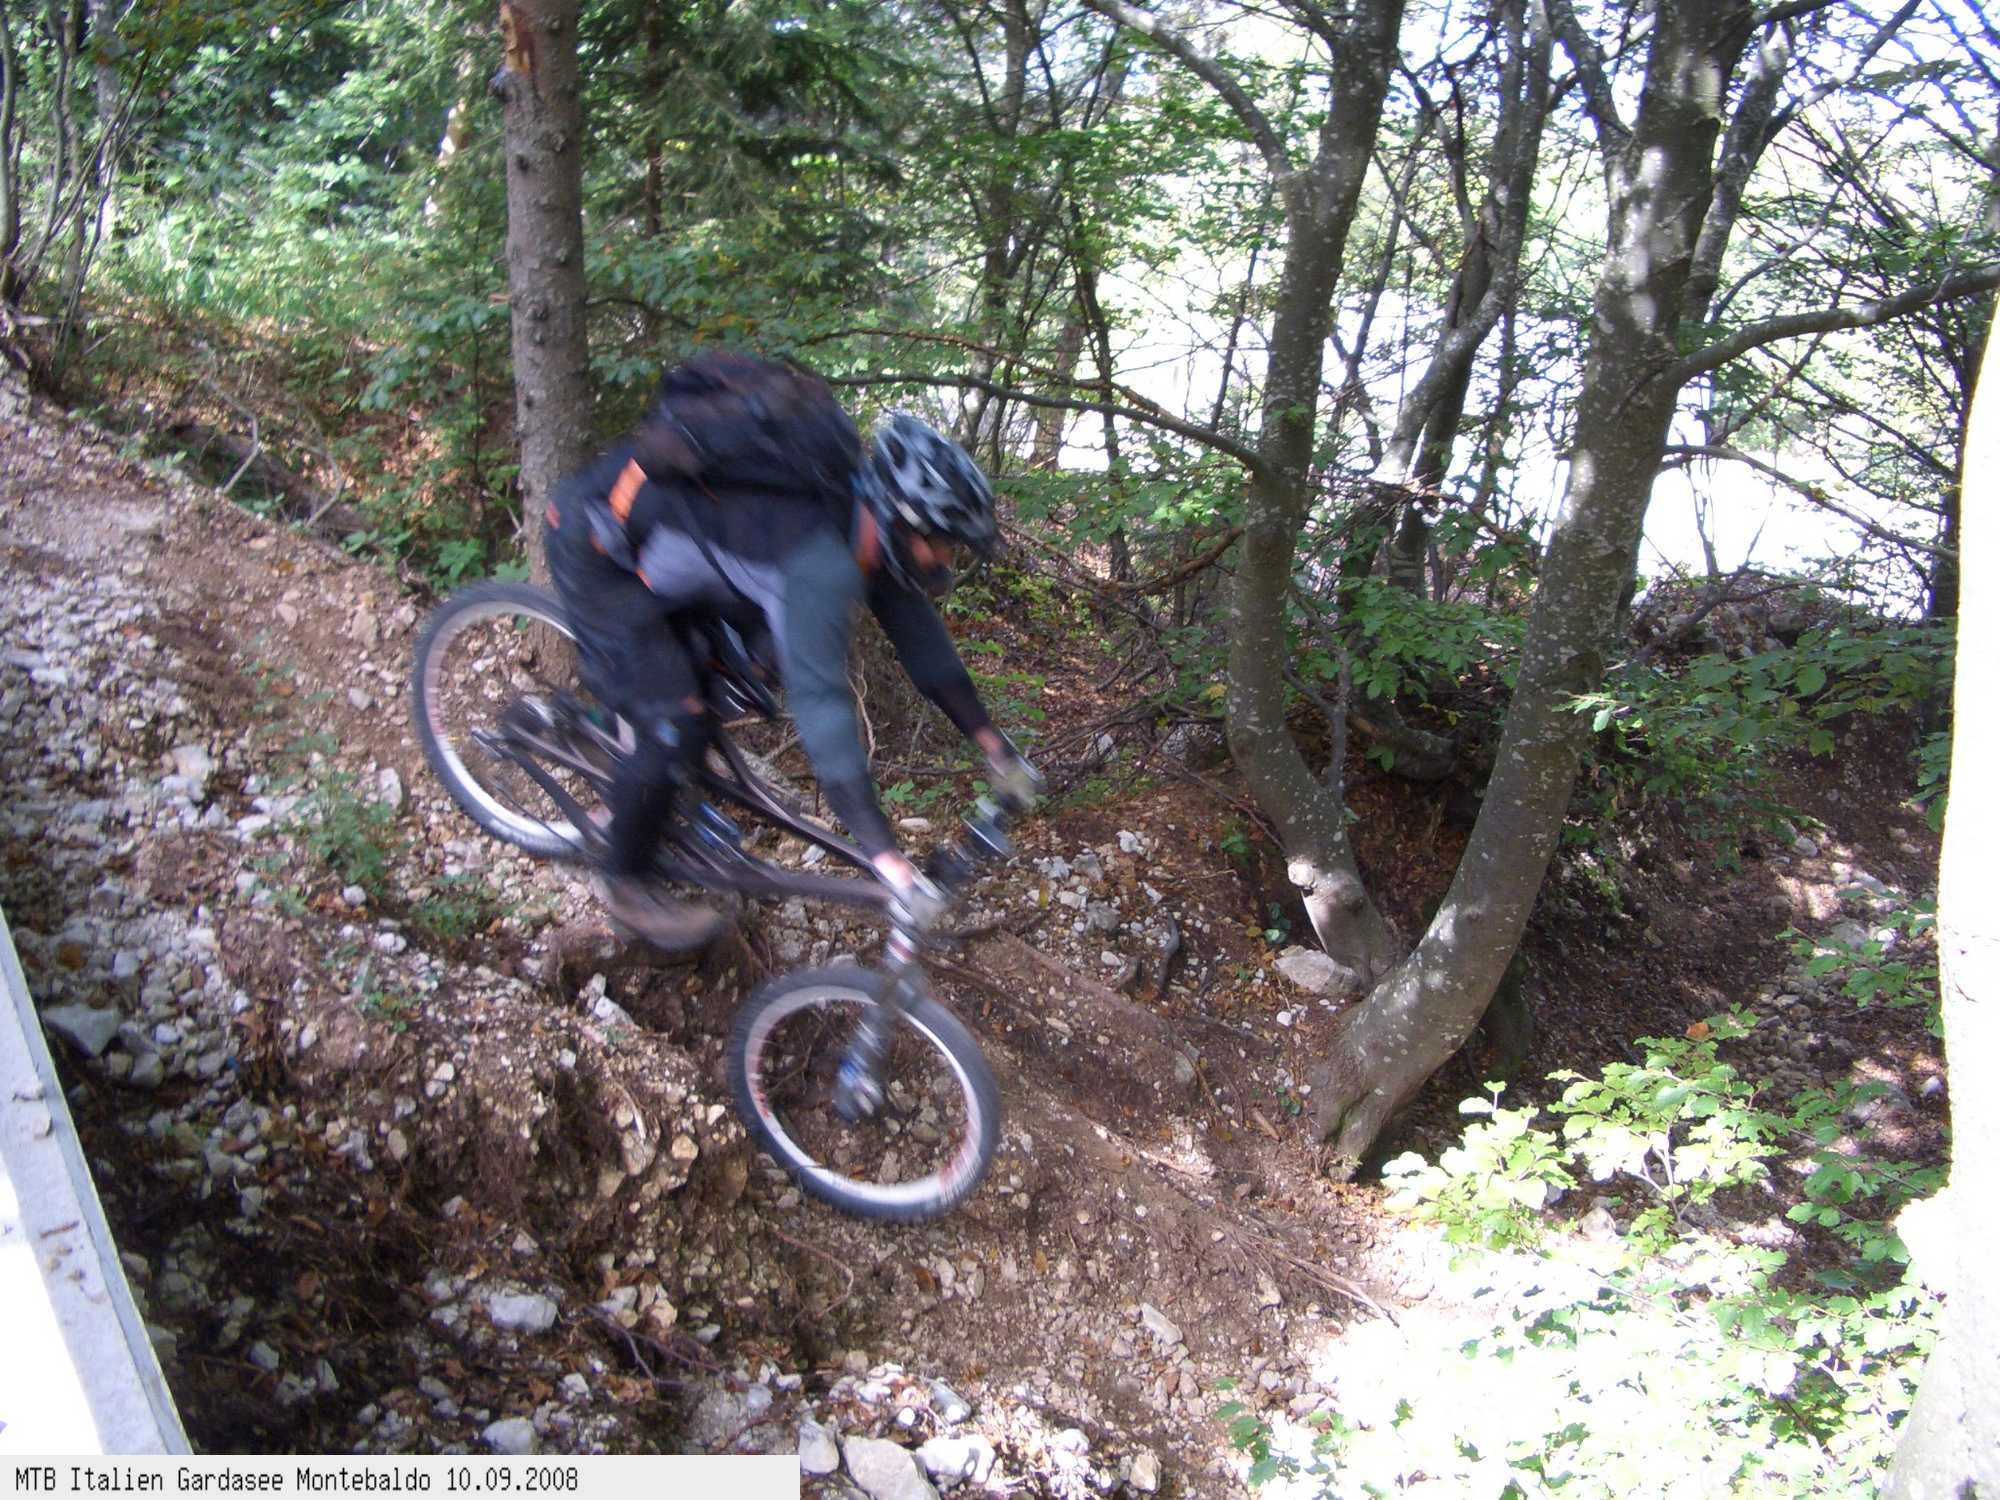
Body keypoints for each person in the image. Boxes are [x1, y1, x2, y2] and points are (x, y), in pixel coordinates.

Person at [541, 351, 1040, 950]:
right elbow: (823, 707)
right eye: (945, 545)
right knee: (678, 719)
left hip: (679, 572)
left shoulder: (863, 520)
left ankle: (636, 768)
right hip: (598, 547)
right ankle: (625, 879)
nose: (946, 562)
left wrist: (997, 749)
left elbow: (925, 647)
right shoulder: (819, 564)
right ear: (907, 525)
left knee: (748, 672)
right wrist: (887, 860)